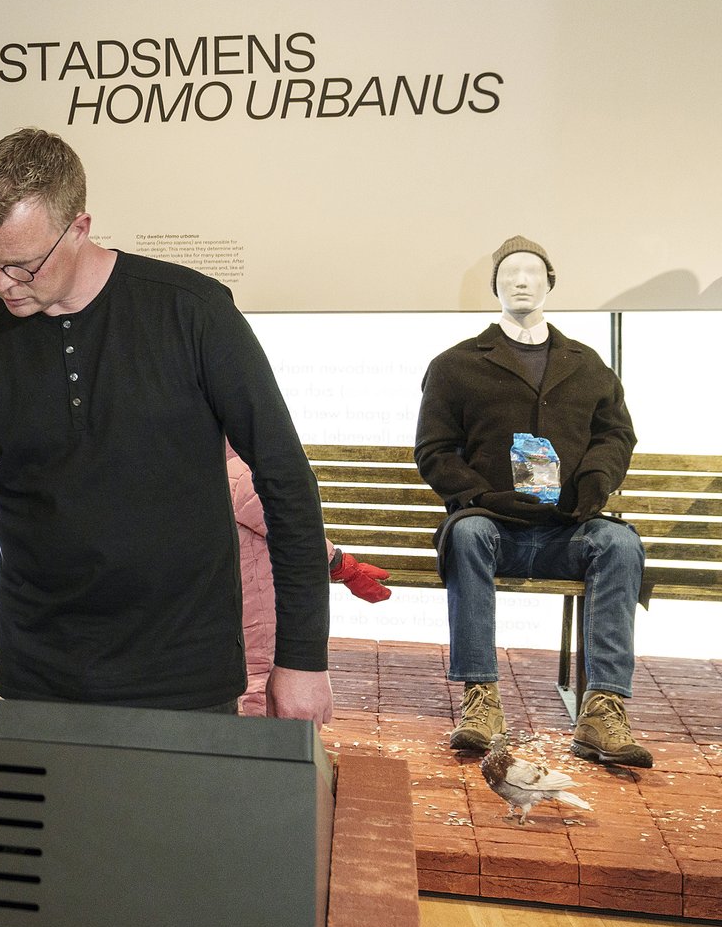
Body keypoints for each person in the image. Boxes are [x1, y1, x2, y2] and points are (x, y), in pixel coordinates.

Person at [0, 128, 332, 721]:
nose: (3, 284)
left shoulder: (192, 313)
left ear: (80, 228)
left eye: (23, 265)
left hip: (184, 671)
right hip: (39, 672)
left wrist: (302, 657)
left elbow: (286, 481)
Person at [415, 236, 650, 766]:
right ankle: (481, 700)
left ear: (550, 283)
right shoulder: (456, 365)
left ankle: (603, 709)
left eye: (532, 272)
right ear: (495, 285)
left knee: (619, 543)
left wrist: (592, 485)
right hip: (493, 526)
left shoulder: (586, 365)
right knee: (467, 532)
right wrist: (479, 497)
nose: (520, 280)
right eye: (508, 273)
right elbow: (434, 449)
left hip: (568, 528)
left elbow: (615, 435)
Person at [227, 442, 391, 717]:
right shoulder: (241, 475)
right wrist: (342, 565)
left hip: (232, 596)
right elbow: (296, 533)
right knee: (259, 675)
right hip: (259, 602)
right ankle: (267, 749)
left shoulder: (207, 470)